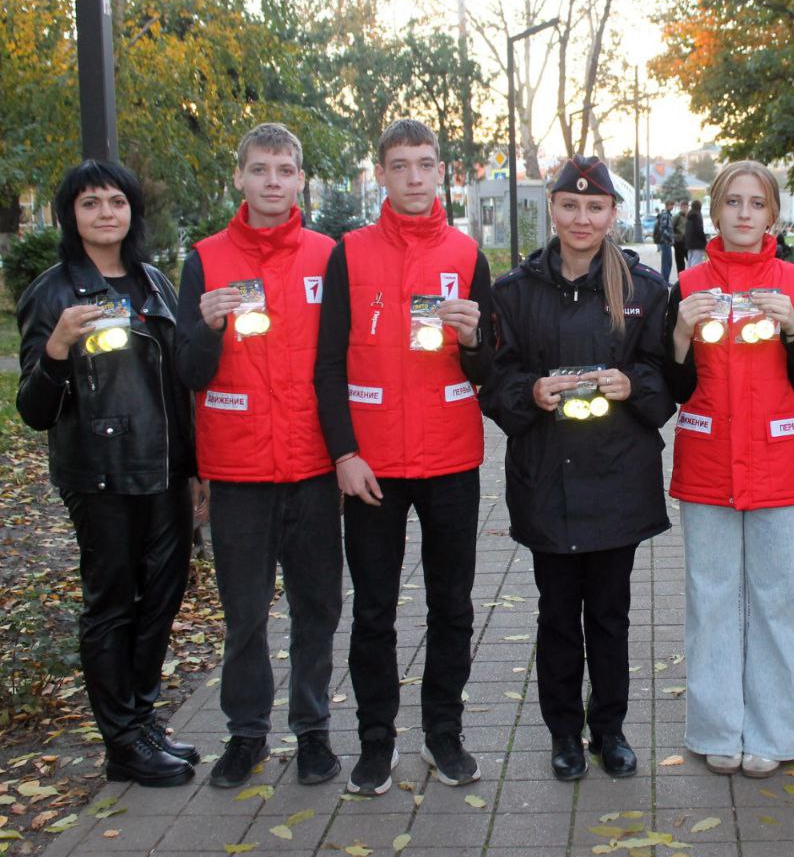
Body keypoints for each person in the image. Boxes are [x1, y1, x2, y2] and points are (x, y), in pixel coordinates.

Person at [480, 156, 673, 782]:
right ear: (553, 211)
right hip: (547, 478)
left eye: (595, 207)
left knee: (611, 615)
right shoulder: (514, 291)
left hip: (617, 478)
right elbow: (493, 379)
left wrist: (631, 382)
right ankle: (564, 731)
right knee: (558, 615)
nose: (582, 217)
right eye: (570, 205)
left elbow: (670, 384)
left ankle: (608, 729)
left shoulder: (643, 290)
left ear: (613, 214)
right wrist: (528, 394)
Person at [314, 118, 492, 795]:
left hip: (451, 460)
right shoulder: (349, 252)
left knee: (452, 607)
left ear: (440, 171)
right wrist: (344, 453)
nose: (415, 177)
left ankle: (444, 737)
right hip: (373, 467)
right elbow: (328, 364)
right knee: (375, 611)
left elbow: (490, 367)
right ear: (381, 174)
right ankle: (375, 742)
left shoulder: (468, 252)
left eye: (425, 164)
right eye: (400, 165)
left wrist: (475, 341)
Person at [17, 161, 197, 787]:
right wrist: (57, 348)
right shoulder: (53, 293)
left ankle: (140, 718)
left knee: (165, 597)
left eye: (116, 202)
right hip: (101, 474)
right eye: (90, 203)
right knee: (112, 603)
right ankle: (121, 740)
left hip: (168, 470)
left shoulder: (153, 282)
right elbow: (34, 409)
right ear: (71, 214)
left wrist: (194, 470)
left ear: (131, 212)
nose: (105, 214)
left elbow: (179, 382)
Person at [175, 124, 343, 788]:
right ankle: (246, 736)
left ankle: (313, 734)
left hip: (313, 468)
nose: (273, 181)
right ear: (239, 178)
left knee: (317, 609)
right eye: (260, 169)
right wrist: (208, 326)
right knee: (244, 615)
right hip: (239, 471)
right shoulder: (205, 259)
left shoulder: (329, 256)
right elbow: (189, 370)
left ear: (300, 179)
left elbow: (343, 357)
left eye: (284, 170)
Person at [664, 160, 794, 778]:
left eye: (757, 204)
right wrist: (679, 330)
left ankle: (778, 731)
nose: (745, 214)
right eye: (734, 202)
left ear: (773, 216)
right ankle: (717, 727)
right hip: (707, 465)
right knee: (711, 598)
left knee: (781, 599)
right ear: (717, 212)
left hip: (779, 465)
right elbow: (673, 386)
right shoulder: (689, 283)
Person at [655, 199, 675, 283]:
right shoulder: (665, 215)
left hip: (667, 242)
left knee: (668, 262)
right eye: (671, 205)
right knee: (666, 262)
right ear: (667, 205)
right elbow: (662, 229)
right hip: (665, 242)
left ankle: (665, 280)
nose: (672, 207)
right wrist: (670, 237)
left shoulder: (668, 215)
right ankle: (664, 281)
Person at [684, 199, 707, 268]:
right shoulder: (697, 215)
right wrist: (704, 240)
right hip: (697, 243)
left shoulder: (689, 215)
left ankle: (689, 277)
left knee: (690, 261)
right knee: (696, 262)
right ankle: (693, 277)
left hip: (689, 243)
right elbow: (699, 230)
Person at [673, 198, 690, 272]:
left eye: (686, 207)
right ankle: (681, 279)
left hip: (688, 242)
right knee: (680, 262)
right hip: (679, 241)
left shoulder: (690, 216)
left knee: (689, 260)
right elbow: (672, 227)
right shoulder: (677, 216)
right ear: (680, 207)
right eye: (683, 206)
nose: (684, 208)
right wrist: (675, 237)